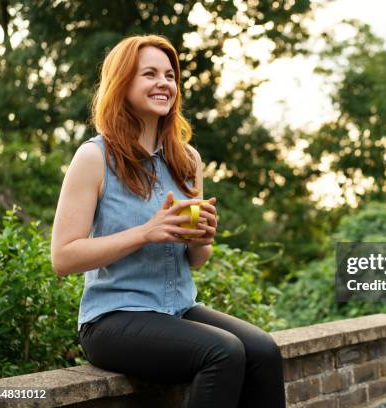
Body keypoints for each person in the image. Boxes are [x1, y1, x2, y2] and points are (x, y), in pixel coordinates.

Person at [50, 34, 286, 407]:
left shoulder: (187, 160)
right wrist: (145, 233)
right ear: (122, 83)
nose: (164, 83)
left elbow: (196, 259)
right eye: (149, 74)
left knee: (264, 351)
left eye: (170, 75)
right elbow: (63, 257)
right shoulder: (94, 158)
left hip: (178, 309)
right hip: (112, 318)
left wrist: (201, 238)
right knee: (223, 352)